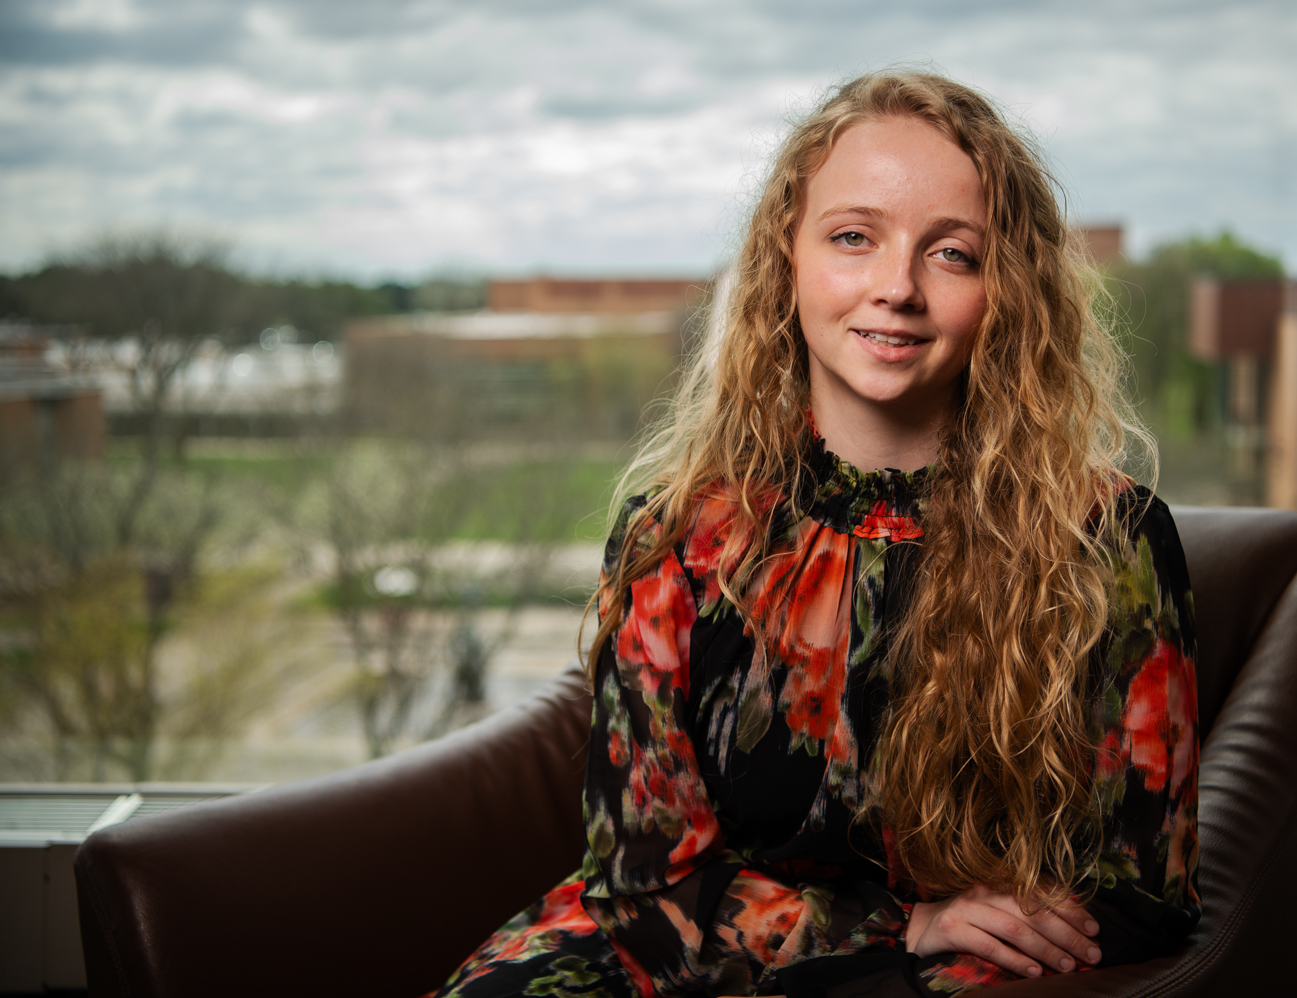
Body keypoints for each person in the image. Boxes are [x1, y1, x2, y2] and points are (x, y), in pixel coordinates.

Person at [430, 70, 1199, 998]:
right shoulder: (675, 539)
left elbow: (1144, 898)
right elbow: (640, 881)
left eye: (952, 254)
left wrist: (924, 949)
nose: (897, 288)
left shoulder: (1107, 541)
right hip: (674, 955)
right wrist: (900, 922)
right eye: (853, 238)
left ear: (1008, 292)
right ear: (785, 262)